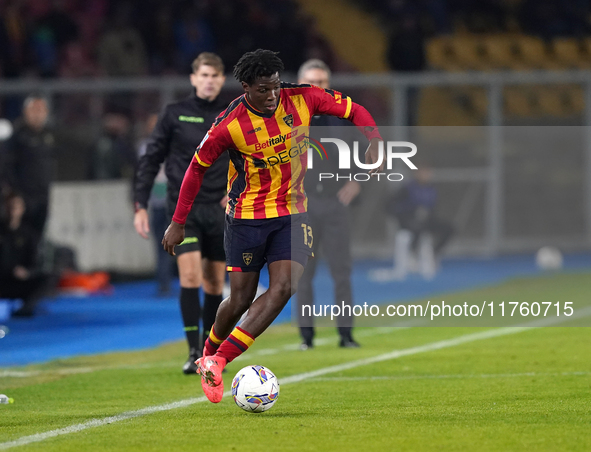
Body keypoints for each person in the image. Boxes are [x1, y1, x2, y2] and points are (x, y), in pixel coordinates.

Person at [162, 49, 383, 403]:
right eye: (263, 90)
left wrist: (374, 137)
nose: (272, 96)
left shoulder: (304, 97)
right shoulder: (229, 124)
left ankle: (217, 361)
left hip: (292, 213)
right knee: (239, 299)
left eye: (276, 87)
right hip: (247, 218)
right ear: (246, 87)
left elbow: (353, 108)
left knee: (284, 286)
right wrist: (178, 221)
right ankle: (210, 349)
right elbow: (196, 169)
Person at [134, 52, 229, 375]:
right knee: (190, 276)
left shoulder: (230, 113)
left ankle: (209, 351)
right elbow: (150, 160)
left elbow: (247, 157)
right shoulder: (175, 114)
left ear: (222, 79)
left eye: (215, 76)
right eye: (204, 75)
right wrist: (140, 204)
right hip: (183, 210)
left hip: (218, 211)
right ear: (193, 78)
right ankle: (192, 353)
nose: (209, 81)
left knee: (216, 283)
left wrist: (236, 190)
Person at [295, 59, 361, 350]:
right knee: (302, 274)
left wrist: (357, 181)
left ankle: (345, 335)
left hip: (334, 205)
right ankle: (306, 338)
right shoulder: (286, 120)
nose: (316, 87)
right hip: (302, 207)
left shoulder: (343, 118)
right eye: (311, 82)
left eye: (321, 82)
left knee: (341, 272)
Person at [0, 94, 55, 243]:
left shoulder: (48, 135)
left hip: (42, 196)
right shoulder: (17, 135)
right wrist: (14, 193)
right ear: (25, 112)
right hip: (22, 197)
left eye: (41, 110)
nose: (38, 115)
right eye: (34, 110)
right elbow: (7, 166)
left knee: (38, 238)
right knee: (18, 236)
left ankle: (34, 265)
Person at [136, 113, 174, 296]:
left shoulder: (172, 144)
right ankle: (164, 281)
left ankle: (171, 280)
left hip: (172, 201)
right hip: (158, 201)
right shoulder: (147, 147)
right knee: (162, 243)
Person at [0, 187, 49, 317]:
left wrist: (26, 272)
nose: (12, 210)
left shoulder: (28, 234)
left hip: (18, 281)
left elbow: (34, 261)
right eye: (10, 206)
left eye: (16, 207)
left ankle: (25, 309)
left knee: (48, 278)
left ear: (22, 209)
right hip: (1, 279)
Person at [389, 165, 454, 256]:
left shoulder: (431, 188)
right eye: (422, 173)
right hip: (410, 220)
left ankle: (434, 254)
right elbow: (390, 204)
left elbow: (433, 208)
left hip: (427, 220)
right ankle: (412, 254)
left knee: (449, 228)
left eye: (427, 173)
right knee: (417, 228)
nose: (425, 175)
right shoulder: (407, 188)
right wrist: (402, 217)